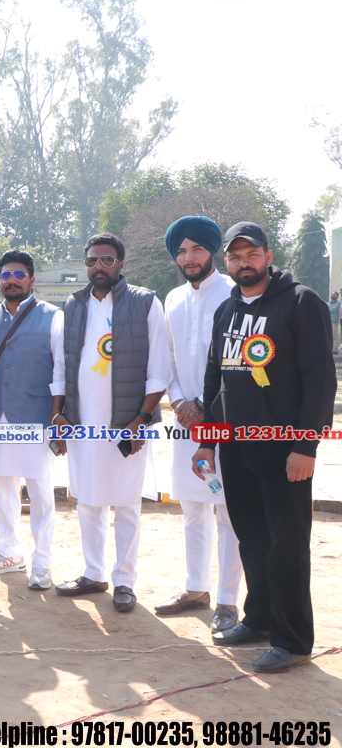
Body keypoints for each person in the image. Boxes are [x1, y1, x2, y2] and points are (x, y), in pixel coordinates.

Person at [194, 221, 335, 673]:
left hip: (283, 450)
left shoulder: (302, 302)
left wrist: (306, 446)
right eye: (235, 257)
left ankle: (292, 641)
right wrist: (208, 441)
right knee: (251, 538)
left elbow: (320, 379)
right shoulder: (226, 310)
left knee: (286, 543)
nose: (243, 263)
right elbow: (214, 379)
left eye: (251, 254)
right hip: (236, 447)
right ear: (227, 263)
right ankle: (258, 620)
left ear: (268, 256)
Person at [52, 233, 170, 614]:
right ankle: (94, 573)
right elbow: (61, 366)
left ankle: (124, 581)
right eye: (92, 260)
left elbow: (159, 371)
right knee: (87, 499)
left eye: (106, 260)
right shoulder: (73, 305)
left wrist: (141, 420)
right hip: (82, 422)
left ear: (121, 264)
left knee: (126, 503)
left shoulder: (146, 302)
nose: (98, 267)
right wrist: (58, 414)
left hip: (126, 425)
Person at [155, 217, 242, 632]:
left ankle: (227, 601)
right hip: (185, 424)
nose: (189, 258)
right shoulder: (173, 298)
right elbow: (168, 359)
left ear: (213, 252)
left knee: (228, 512)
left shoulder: (234, 293)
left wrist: (206, 406)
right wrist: (177, 401)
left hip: (226, 420)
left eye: (197, 249)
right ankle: (195, 589)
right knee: (192, 506)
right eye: (182, 251)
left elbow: (238, 361)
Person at [0, 251, 64, 590]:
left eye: (19, 275)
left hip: (37, 416)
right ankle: (9, 554)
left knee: (40, 491)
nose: (12, 280)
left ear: (32, 280)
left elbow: (61, 370)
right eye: (6, 275)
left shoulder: (53, 317)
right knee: (2, 486)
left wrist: (58, 416)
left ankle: (42, 564)